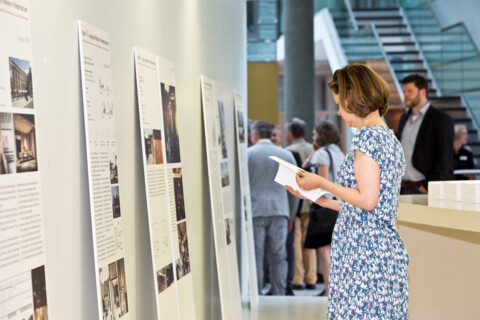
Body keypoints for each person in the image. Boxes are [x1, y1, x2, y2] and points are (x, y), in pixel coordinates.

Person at [286, 64, 409, 318]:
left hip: (364, 255)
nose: (340, 112)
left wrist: (321, 183)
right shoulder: (388, 137)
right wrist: (320, 199)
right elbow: (368, 206)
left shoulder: (366, 139)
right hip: (377, 252)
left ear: (354, 97)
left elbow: (367, 200)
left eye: (341, 104)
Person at [248, 120, 299, 296]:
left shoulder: (248, 155)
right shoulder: (286, 155)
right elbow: (295, 190)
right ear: (271, 134)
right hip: (280, 211)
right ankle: (279, 292)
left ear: (254, 135)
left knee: (256, 256)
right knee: (278, 256)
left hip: (255, 211)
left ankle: (256, 294)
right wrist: (291, 216)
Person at [302, 121, 345, 297]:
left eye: (315, 134)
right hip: (340, 204)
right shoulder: (339, 152)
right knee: (335, 249)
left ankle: (329, 289)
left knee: (324, 249)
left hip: (325, 205)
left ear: (321, 135)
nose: (313, 138)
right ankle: (335, 287)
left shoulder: (321, 154)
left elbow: (323, 181)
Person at [397, 74, 454, 194]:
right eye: (404, 91)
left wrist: (429, 186)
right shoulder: (404, 118)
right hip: (402, 187)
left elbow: (445, 158)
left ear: (422, 92)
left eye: (410, 91)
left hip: (423, 189)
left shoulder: (441, 119)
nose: (405, 95)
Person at [285, 117, 316, 290]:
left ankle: (298, 279)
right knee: (309, 242)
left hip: (296, 203)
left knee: (296, 242)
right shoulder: (314, 149)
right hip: (311, 202)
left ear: (290, 133)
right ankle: (311, 278)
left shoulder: (288, 151)